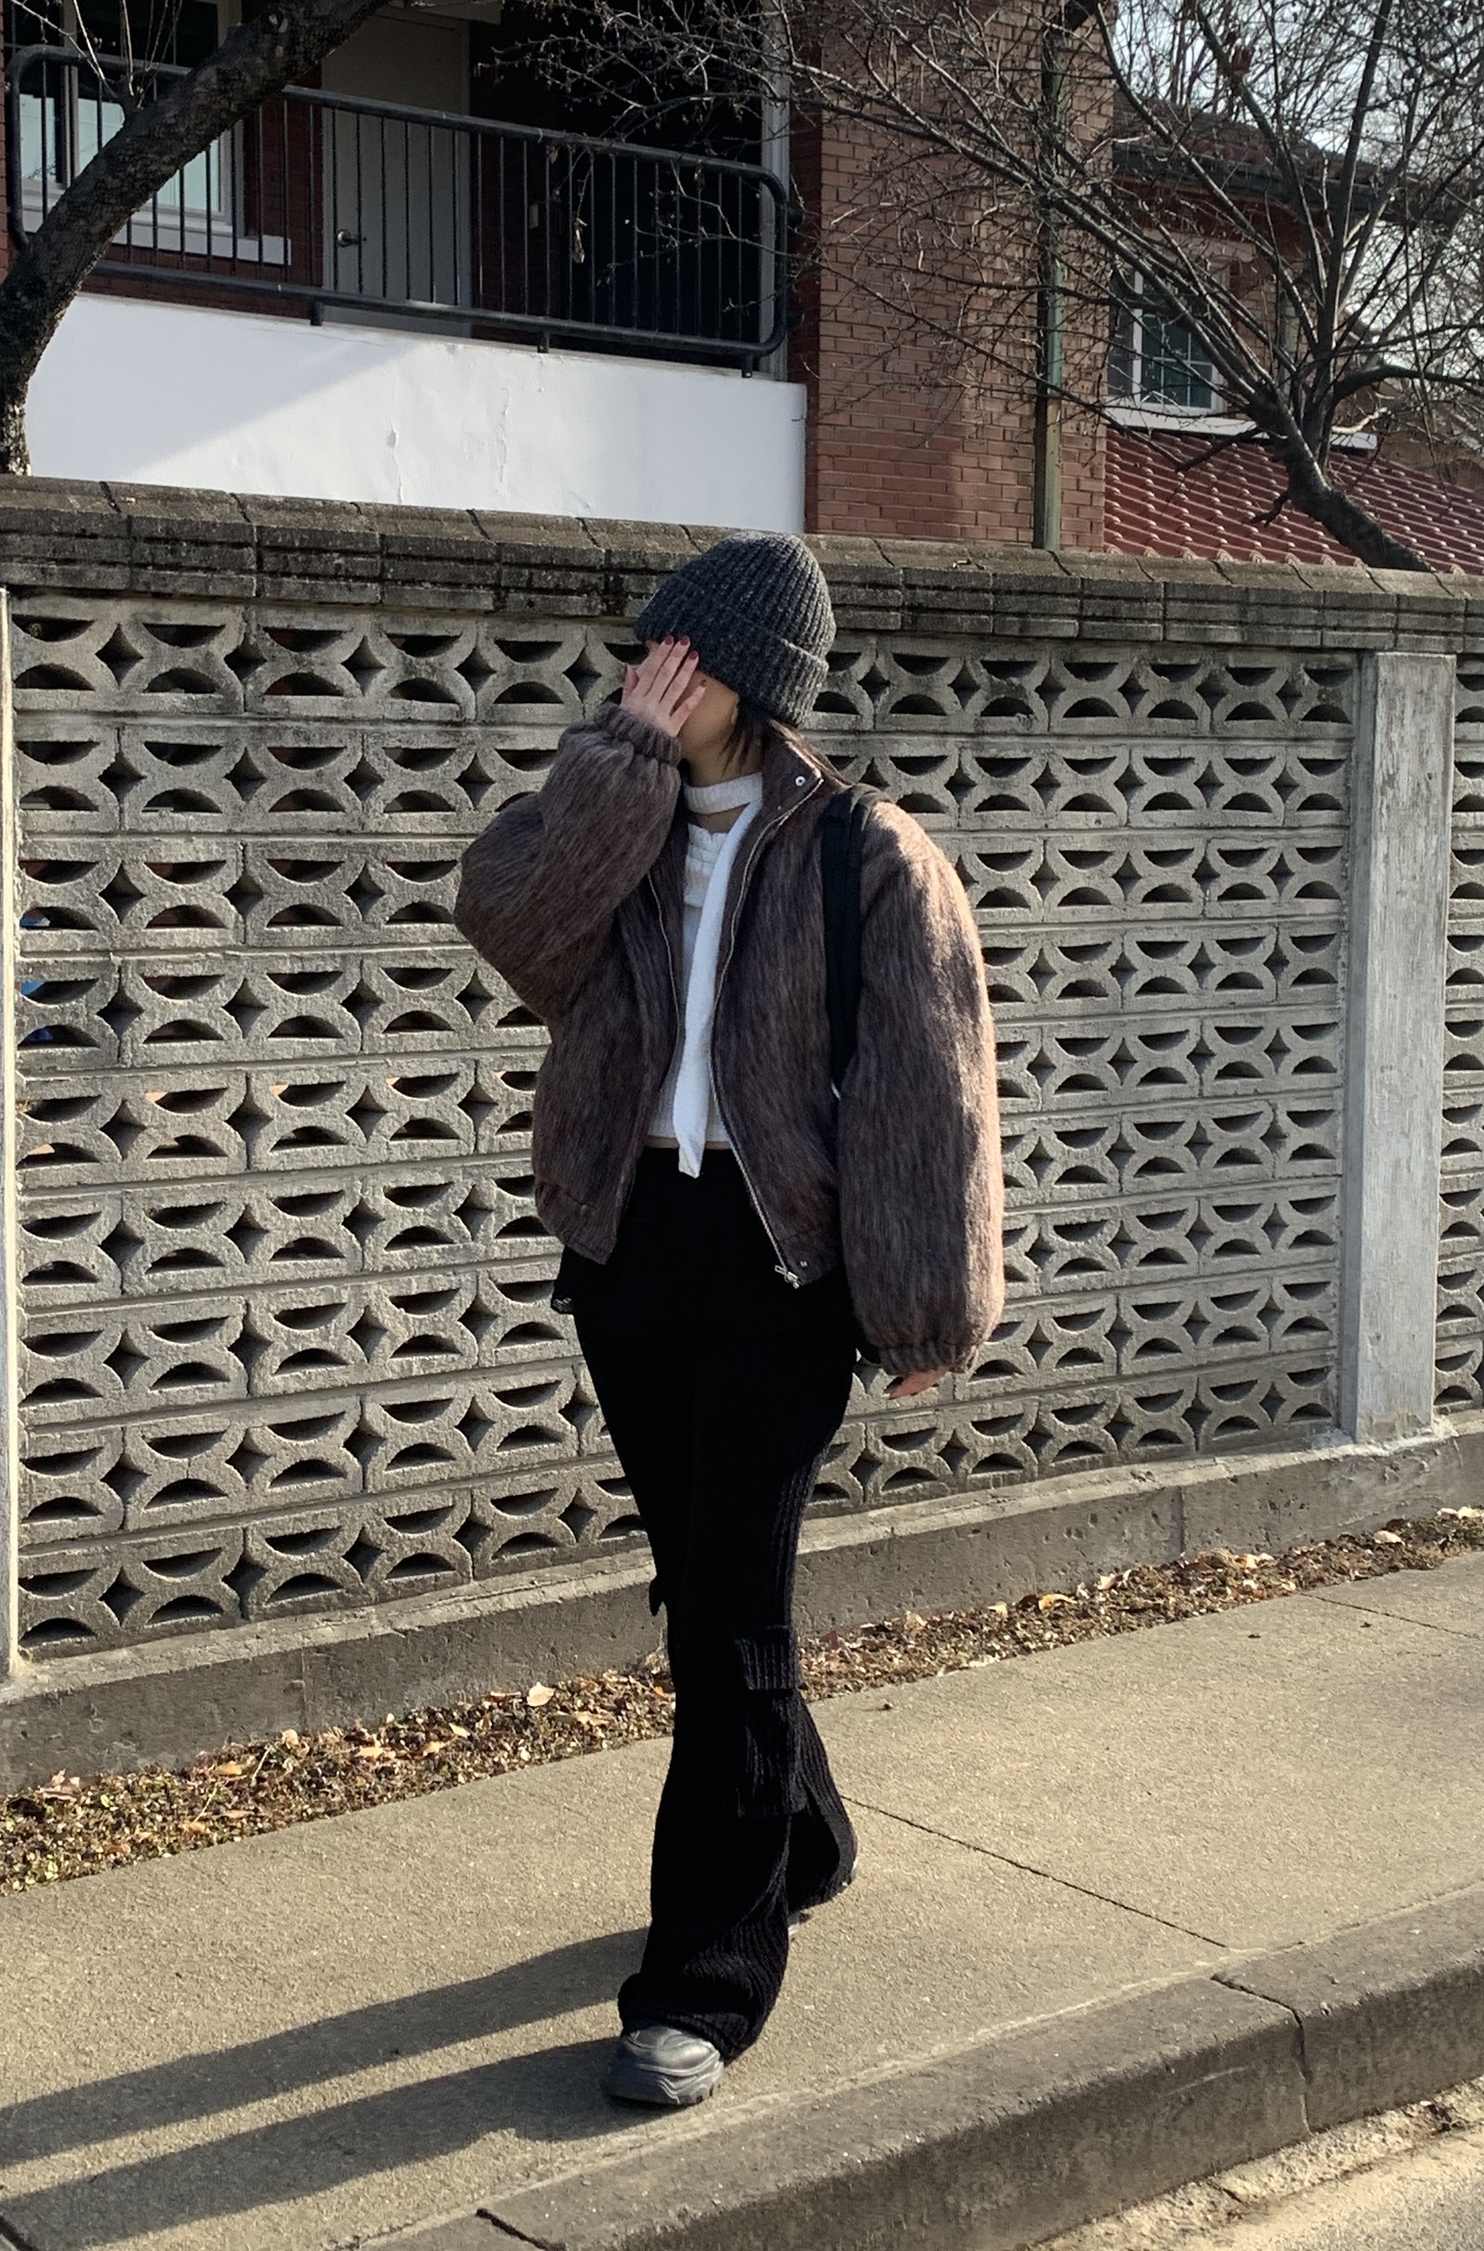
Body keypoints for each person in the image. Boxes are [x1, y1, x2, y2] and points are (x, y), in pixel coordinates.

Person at [453, 531, 1004, 2109]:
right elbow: (511, 925)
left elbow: (930, 1089)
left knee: (733, 1611)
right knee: (704, 1588)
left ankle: (706, 1977)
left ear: (748, 680)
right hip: (634, 1244)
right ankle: (800, 1834)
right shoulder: (614, 820)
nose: (642, 676)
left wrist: (925, 1301)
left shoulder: (867, 855)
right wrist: (616, 771)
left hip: (782, 1271)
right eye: (642, 654)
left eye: (673, 658)